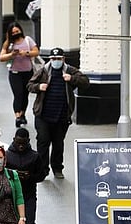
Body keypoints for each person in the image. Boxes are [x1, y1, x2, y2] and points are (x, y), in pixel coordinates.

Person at [27, 47, 90, 179]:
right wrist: (39, 87)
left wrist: (72, 79)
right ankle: (42, 170)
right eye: (53, 59)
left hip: (61, 115)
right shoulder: (43, 71)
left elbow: (85, 82)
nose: (56, 61)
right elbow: (30, 85)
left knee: (58, 143)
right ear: (50, 59)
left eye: (58, 59)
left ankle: (57, 168)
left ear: (63, 59)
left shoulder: (69, 70)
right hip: (43, 114)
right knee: (43, 142)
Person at [5, 128, 45, 224]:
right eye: (18, 142)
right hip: (11, 196)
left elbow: (42, 174)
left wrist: (30, 177)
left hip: (28, 195)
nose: (21, 145)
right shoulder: (7, 155)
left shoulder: (34, 156)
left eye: (24, 143)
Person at [0, 22, 39, 127]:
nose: (16, 33)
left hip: (28, 72)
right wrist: (12, 54)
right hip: (15, 73)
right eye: (13, 32)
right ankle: (17, 116)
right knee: (18, 94)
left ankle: (22, 114)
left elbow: (36, 51)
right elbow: (1, 57)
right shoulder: (8, 43)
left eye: (17, 31)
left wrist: (26, 53)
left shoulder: (28, 40)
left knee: (25, 95)